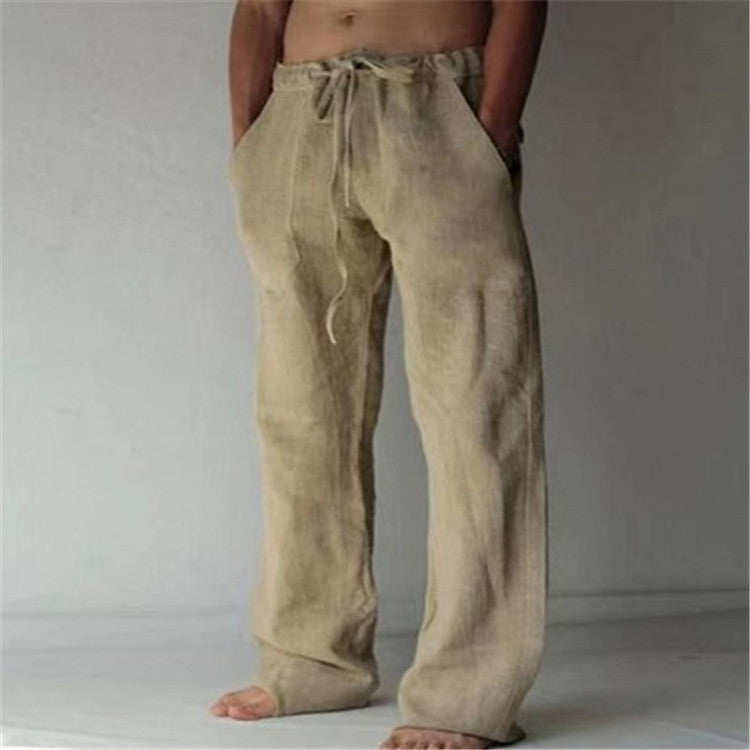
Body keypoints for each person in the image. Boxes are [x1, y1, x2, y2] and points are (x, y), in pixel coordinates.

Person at [211, 1, 549, 747]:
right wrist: (252, 139)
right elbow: (261, 8)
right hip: (301, 114)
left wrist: (492, 126)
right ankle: (311, 660)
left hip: (437, 106)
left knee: (476, 408)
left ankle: (466, 694)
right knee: (300, 413)